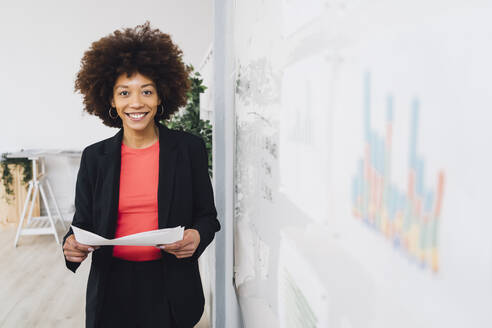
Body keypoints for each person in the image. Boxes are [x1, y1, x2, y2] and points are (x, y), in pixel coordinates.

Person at [61, 21, 221, 328]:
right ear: (111, 100)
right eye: (124, 93)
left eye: (146, 91)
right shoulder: (95, 157)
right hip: (112, 288)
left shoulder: (188, 149)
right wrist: (71, 243)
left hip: (171, 286)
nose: (136, 103)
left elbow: (207, 216)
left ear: (161, 97)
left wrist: (197, 235)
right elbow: (82, 224)